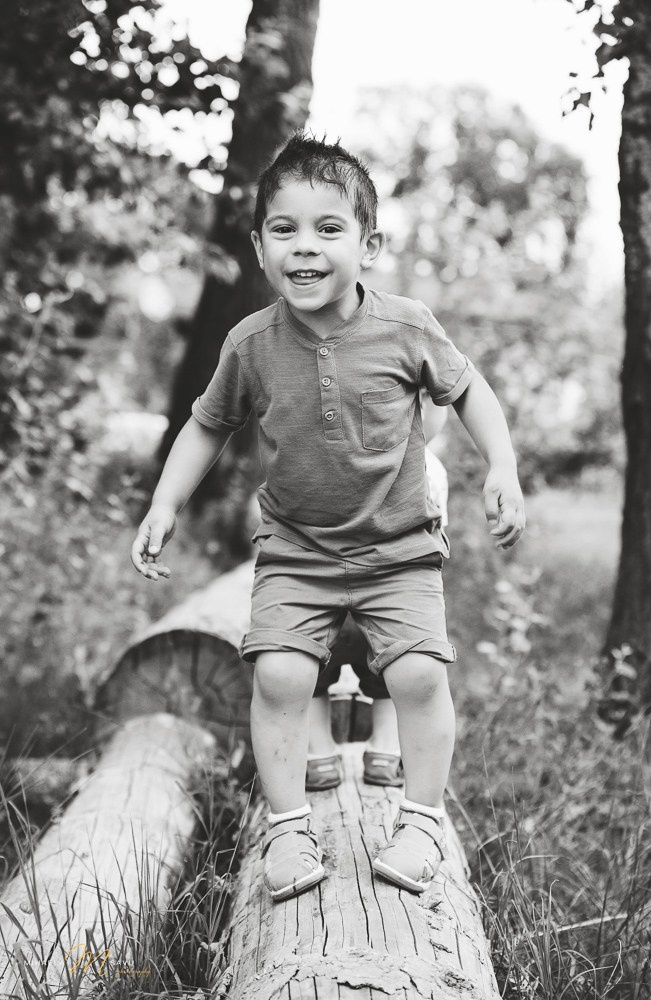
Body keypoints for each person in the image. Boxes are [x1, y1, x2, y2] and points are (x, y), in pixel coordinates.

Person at [131, 132, 525, 903]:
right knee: (279, 676)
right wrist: (164, 502)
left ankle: (421, 822)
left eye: (329, 228)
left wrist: (501, 466)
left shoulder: (407, 326)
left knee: (417, 675)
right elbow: (207, 424)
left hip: (400, 549)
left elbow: (469, 391)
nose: (305, 246)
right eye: (285, 229)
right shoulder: (251, 344)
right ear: (258, 247)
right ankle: (288, 828)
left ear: (368, 245)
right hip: (296, 551)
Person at [306, 392, 449, 792]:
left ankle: (318, 758)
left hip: (323, 601)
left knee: (309, 676)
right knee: (394, 677)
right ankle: (384, 754)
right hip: (387, 606)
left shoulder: (331, 458)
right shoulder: (430, 468)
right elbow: (432, 543)